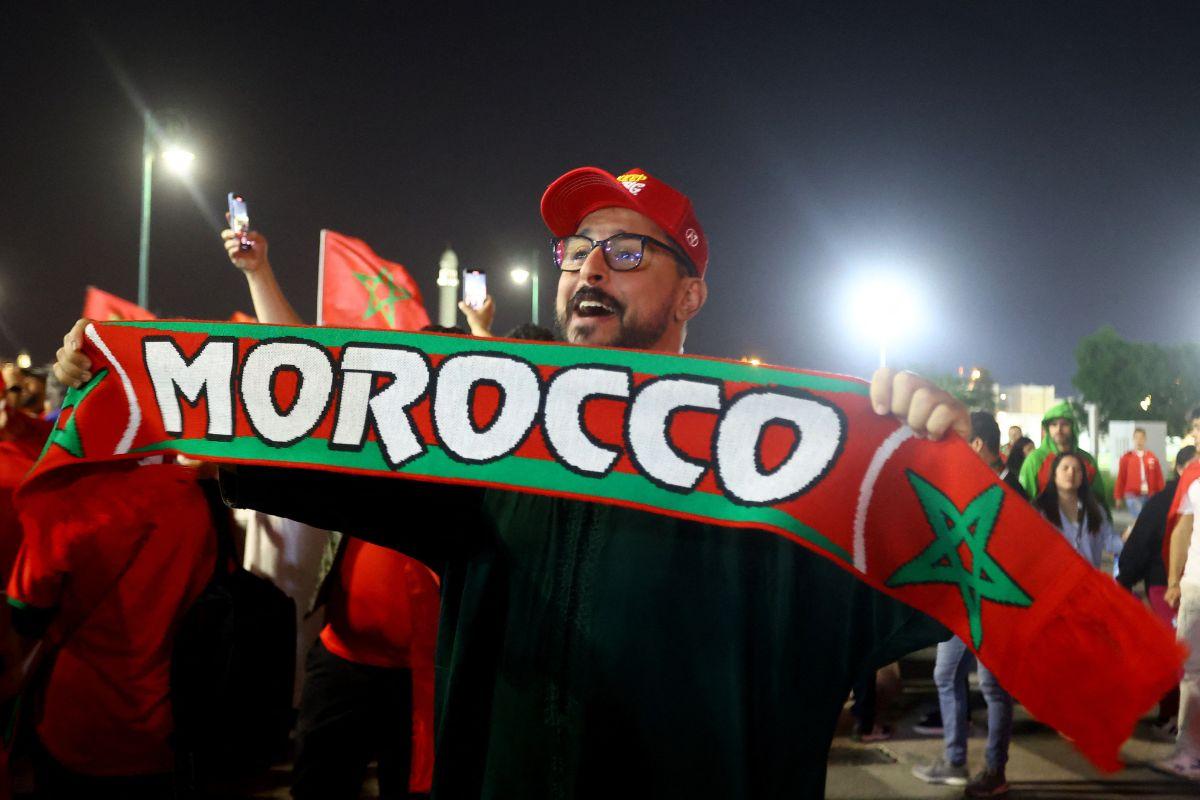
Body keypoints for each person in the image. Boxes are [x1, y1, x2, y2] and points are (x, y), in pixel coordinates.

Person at [58, 166, 969, 798]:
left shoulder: (784, 464)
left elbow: (956, 588)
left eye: (627, 253)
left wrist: (941, 465)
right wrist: (129, 381)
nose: (587, 270)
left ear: (691, 296)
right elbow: (303, 432)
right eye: (577, 249)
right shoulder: (487, 432)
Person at [221, 224, 440, 799]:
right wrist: (258, 274)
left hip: (427, 681)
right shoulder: (369, 439)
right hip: (342, 661)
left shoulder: (474, 477)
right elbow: (303, 361)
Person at [0, 460, 218, 799]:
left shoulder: (65, 497)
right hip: (164, 727)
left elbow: (26, 615)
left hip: (76, 726)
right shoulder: (197, 497)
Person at [911, 412, 1015, 797]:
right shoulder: (967, 484)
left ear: (977, 445)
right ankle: (955, 761)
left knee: (992, 687)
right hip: (962, 604)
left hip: (994, 606)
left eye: (960, 442)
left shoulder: (1012, 492)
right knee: (945, 673)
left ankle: (995, 769)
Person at [1119, 444, 1196, 737]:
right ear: (1179, 470)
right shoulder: (1164, 501)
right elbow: (1143, 542)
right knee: (1177, 653)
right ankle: (1174, 716)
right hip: (1166, 586)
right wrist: (1126, 577)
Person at [1162, 407, 1200, 780]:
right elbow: (1181, 530)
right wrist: (1173, 581)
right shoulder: (1193, 475)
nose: (1197, 436)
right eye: (1195, 429)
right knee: (1192, 673)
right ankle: (1189, 751)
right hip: (1196, 587)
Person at [1034, 452, 1117, 569]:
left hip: (1089, 580)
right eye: (1065, 468)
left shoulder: (1095, 509)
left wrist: (1130, 538)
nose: (1071, 473)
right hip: (1054, 580)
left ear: (1082, 477)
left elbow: (1110, 540)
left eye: (1077, 470)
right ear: (1054, 474)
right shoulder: (1040, 510)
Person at [1019, 402, 1108, 512]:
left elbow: (1100, 500)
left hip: (1082, 525)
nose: (1059, 429)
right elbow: (1022, 500)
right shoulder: (1035, 460)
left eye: (1064, 424)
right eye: (1054, 425)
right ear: (1047, 428)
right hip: (1044, 525)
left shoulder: (1087, 460)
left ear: (1073, 427)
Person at [1114, 428, 1164, 516]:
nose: (1139, 441)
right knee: (1139, 518)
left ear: (1145, 440)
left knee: (1147, 520)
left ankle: (1134, 529)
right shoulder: (1126, 458)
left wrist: (1163, 495)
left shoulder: (1152, 458)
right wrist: (1118, 497)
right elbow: (1121, 478)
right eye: (1136, 438)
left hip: (1149, 495)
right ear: (1133, 439)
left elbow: (1159, 478)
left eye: (1141, 438)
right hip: (1133, 495)